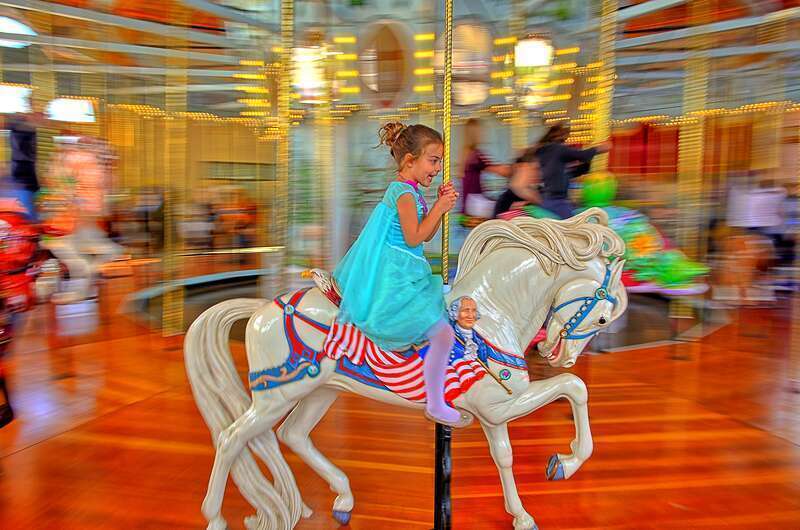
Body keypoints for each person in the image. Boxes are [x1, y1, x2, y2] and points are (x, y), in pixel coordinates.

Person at [333, 122, 468, 428]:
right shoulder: (403, 193)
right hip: (396, 280)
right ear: (410, 160)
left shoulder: (412, 193)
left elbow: (426, 235)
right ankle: (435, 402)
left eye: (440, 163)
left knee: (442, 331)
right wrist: (439, 207)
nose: (437, 169)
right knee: (444, 334)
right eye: (433, 161)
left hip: (408, 274)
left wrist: (438, 208)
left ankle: (432, 388)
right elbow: (413, 236)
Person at [534, 123, 609, 219]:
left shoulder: (545, 153)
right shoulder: (557, 149)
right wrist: (599, 148)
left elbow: (576, 171)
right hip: (556, 200)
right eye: (565, 138)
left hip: (547, 198)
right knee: (573, 225)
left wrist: (585, 162)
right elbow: (582, 155)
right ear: (559, 137)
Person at [460, 118, 512, 218]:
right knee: (506, 208)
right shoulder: (477, 155)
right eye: (480, 131)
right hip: (475, 203)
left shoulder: (465, 153)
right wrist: (515, 169)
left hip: (467, 203)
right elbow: (500, 170)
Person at [6, 112, 41, 220]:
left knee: (29, 214)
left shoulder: (24, 133)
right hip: (23, 180)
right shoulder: (22, 133)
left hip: (25, 180)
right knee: (28, 215)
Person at [493, 148, 542, 218]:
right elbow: (496, 225)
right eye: (535, 169)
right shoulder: (506, 199)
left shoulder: (544, 192)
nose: (538, 173)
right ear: (520, 169)